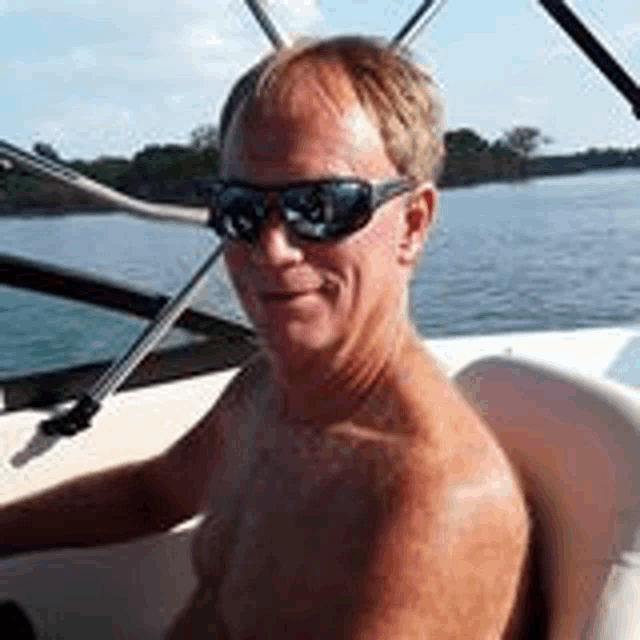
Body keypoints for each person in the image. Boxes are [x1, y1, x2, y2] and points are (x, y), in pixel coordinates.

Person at [1, 36, 534, 639]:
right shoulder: (269, 386)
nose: (272, 250)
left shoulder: (430, 504)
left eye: (322, 205)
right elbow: (152, 494)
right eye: (241, 210)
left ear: (412, 224)